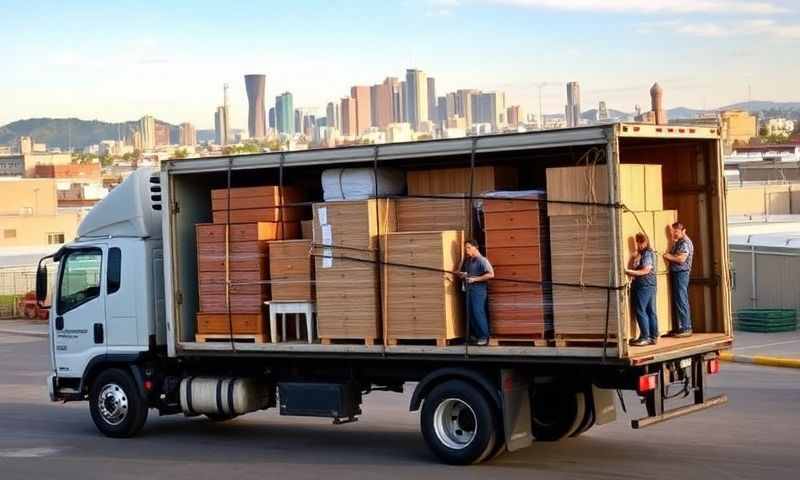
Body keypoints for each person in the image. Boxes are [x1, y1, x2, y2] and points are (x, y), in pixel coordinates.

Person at [457, 239, 494, 346]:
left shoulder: (482, 260)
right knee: (471, 314)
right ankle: (477, 336)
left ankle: (484, 336)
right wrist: (463, 275)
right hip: (469, 290)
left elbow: (491, 274)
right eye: (465, 248)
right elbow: (468, 274)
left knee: (478, 312)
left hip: (478, 290)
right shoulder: (469, 261)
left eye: (468, 247)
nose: (466, 250)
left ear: (476, 247)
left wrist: (475, 279)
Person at [624, 233, 658, 346]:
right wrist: (634, 257)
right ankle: (653, 336)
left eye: (641, 243)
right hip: (649, 285)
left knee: (641, 310)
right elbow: (634, 266)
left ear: (646, 242)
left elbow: (645, 270)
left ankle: (645, 337)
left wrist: (629, 272)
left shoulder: (647, 254)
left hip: (644, 285)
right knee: (650, 311)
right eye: (638, 243)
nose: (639, 245)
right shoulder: (641, 254)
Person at [663, 222, 694, 338]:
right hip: (677, 273)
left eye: (676, 231)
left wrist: (667, 256)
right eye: (673, 231)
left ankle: (686, 327)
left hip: (682, 273)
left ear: (683, 231)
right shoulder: (678, 242)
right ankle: (680, 327)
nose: (674, 234)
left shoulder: (684, 243)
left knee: (682, 300)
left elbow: (681, 259)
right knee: (678, 300)